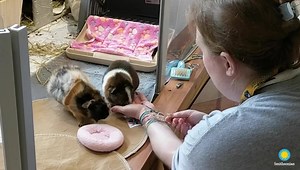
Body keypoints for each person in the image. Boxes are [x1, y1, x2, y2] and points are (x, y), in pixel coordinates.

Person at [111, 0, 300, 169]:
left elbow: (176, 157)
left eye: (202, 50)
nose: (202, 57)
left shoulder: (226, 139)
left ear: (227, 63)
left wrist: (145, 115)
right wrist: (212, 125)